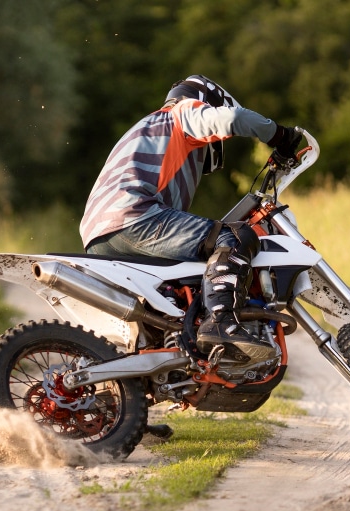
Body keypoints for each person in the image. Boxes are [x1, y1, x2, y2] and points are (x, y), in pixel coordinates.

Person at [79, 75, 301, 365]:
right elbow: (235, 117)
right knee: (234, 238)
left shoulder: (148, 133)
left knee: (181, 289)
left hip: (101, 234)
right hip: (134, 217)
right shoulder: (180, 114)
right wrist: (281, 137)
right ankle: (222, 320)